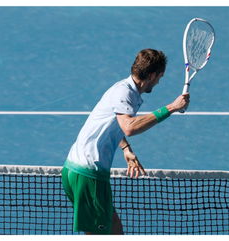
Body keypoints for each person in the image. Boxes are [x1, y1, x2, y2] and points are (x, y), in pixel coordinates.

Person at [61, 49, 190, 235]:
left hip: (80, 169)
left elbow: (113, 124)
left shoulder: (126, 90)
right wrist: (171, 107)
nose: (159, 81)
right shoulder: (124, 93)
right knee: (102, 235)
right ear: (152, 75)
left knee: (114, 230)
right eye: (160, 77)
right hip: (89, 173)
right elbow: (129, 127)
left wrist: (126, 148)